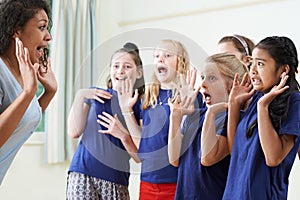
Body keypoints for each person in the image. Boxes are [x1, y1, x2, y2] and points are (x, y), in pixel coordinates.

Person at [223, 36, 300, 200]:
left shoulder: (295, 102)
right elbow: (235, 151)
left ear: (283, 70)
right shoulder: (258, 97)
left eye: (260, 64)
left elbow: (274, 158)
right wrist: (234, 105)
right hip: (234, 194)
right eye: (252, 63)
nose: (252, 70)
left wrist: (263, 107)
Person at [115, 39, 192, 199]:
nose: (160, 59)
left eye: (167, 55)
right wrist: (126, 109)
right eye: (156, 56)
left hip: (176, 182)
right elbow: (141, 145)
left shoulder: (190, 98)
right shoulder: (148, 98)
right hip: (147, 182)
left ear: (181, 63)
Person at [67, 42, 145, 199]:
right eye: (116, 66)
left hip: (116, 180)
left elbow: (139, 157)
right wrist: (80, 95)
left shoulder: (140, 105)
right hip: (82, 173)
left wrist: (122, 135)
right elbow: (74, 132)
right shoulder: (95, 95)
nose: (120, 71)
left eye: (127, 66)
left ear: (139, 73)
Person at [168, 53, 248, 199]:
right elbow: (175, 159)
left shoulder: (233, 119)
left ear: (232, 86)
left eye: (212, 78)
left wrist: (211, 114)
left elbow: (207, 157)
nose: (203, 84)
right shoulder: (194, 115)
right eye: (203, 77)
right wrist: (175, 116)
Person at [0, 0, 57, 185]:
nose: (48, 36)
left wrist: (49, 92)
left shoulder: (21, 76)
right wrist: (27, 93)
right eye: (42, 27)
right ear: (16, 30)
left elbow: (20, 122)